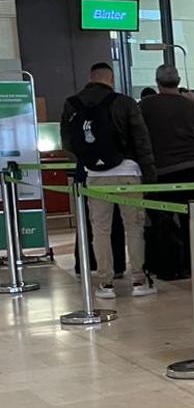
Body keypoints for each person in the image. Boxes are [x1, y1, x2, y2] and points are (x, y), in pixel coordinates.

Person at [60, 62, 157, 299]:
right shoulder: (124, 102)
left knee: (99, 230)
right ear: (110, 78)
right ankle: (138, 281)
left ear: (90, 78)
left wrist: (89, 160)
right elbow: (141, 141)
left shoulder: (72, 104)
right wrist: (150, 174)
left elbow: (68, 143)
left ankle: (105, 283)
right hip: (128, 171)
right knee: (133, 227)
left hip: (94, 175)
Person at [140, 63, 194, 274]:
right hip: (191, 169)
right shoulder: (192, 106)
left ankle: (167, 265)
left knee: (161, 217)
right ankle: (190, 264)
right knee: (190, 218)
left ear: (157, 83)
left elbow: (136, 137)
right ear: (179, 81)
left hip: (160, 170)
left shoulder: (146, 106)